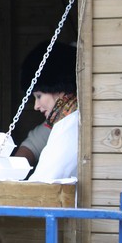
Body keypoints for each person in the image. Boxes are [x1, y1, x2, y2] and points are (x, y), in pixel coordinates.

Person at [18, 41, 78, 182]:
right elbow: (35, 141)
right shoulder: (66, 118)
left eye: (39, 96)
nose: (36, 106)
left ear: (58, 89)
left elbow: (44, 181)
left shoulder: (69, 124)